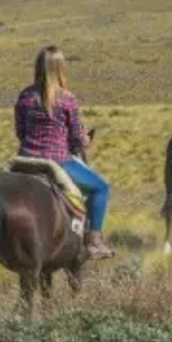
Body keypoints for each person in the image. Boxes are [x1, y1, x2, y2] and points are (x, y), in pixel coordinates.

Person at [14, 46, 115, 260]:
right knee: (101, 188)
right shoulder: (67, 99)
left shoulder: (25, 96)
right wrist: (85, 140)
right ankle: (94, 242)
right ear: (60, 68)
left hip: (25, 160)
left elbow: (20, 132)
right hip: (58, 160)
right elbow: (77, 138)